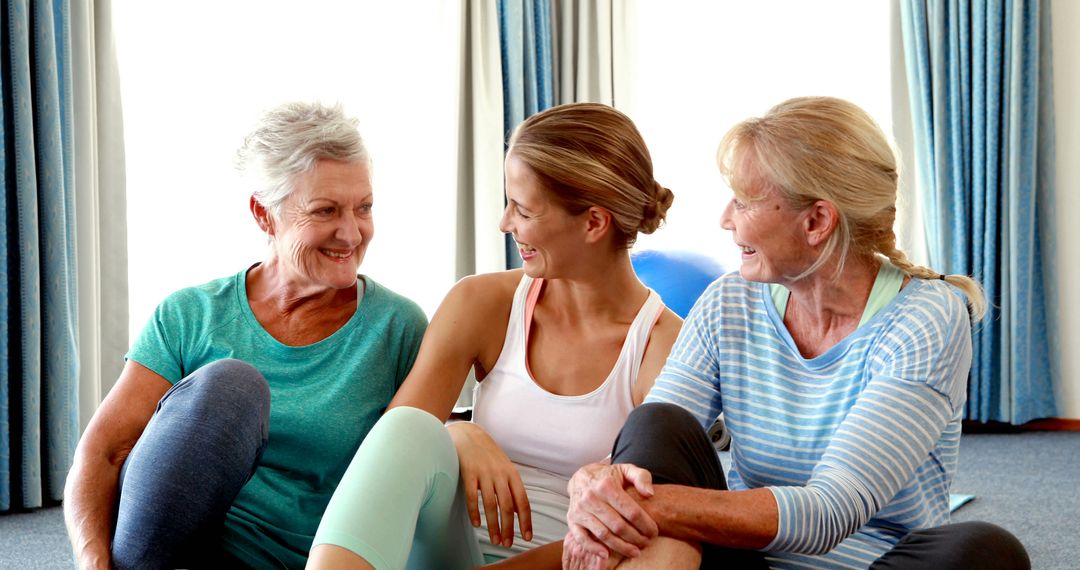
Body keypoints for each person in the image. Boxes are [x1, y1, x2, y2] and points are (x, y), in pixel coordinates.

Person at [562, 96, 1031, 569]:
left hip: (872, 564)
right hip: (747, 560)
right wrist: (596, 480)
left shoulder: (926, 318)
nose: (726, 219)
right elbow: (650, 448)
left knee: (985, 553)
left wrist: (641, 505)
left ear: (816, 222)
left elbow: (830, 510)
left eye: (744, 202)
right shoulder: (729, 301)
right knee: (655, 423)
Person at [306, 102, 683, 569]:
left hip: (565, 561)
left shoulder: (662, 350)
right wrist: (458, 433)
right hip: (448, 546)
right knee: (409, 427)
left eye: (522, 210)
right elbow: (392, 448)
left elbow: (631, 533)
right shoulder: (483, 303)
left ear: (593, 223)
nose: (505, 224)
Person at [63, 102, 428, 569]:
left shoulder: (398, 329)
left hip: (294, 561)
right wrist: (91, 561)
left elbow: (414, 468)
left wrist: (466, 439)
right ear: (264, 214)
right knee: (231, 387)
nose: (351, 233)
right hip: (169, 550)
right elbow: (104, 452)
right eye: (325, 211)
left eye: (364, 207)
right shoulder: (190, 314)